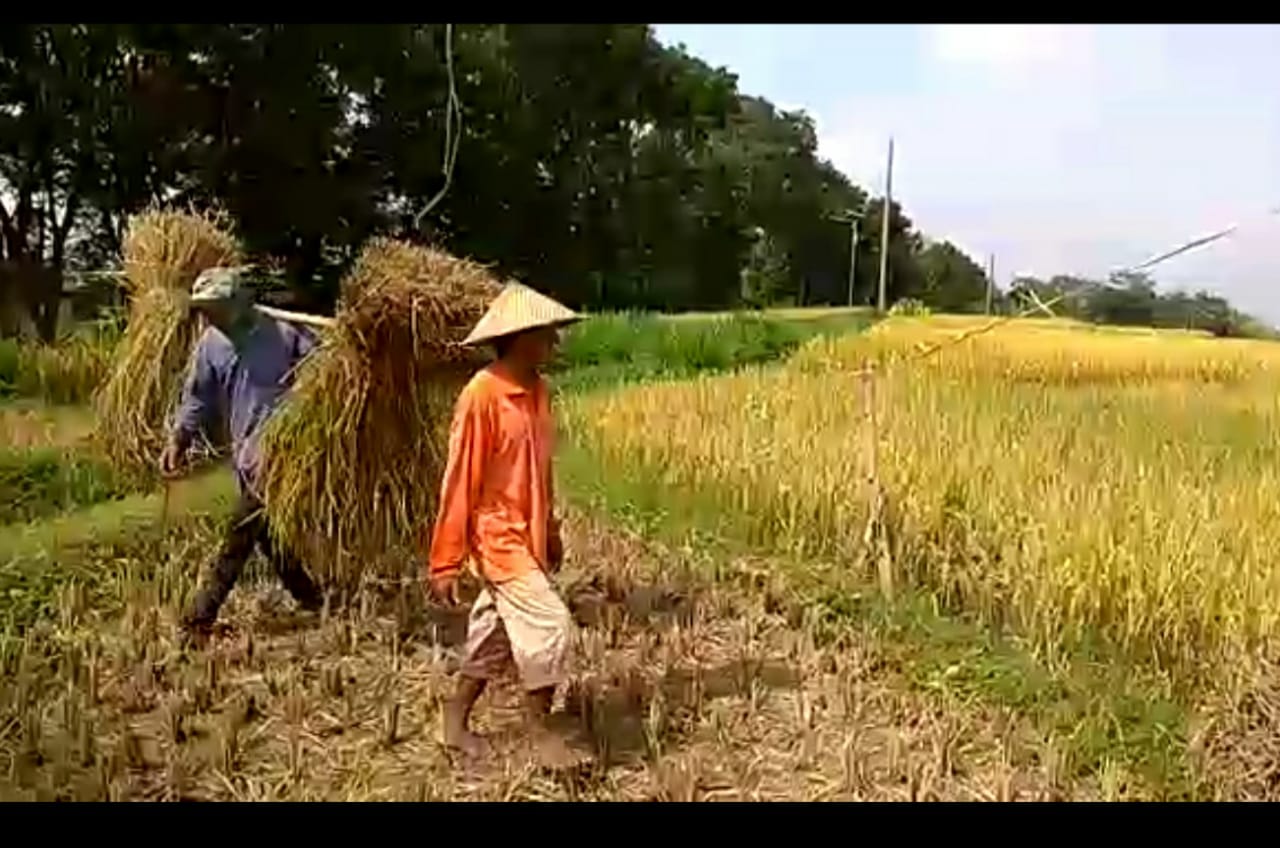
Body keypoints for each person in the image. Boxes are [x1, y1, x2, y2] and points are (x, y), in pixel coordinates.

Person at [425, 282, 582, 766]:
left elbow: (540, 470)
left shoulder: (538, 392)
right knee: (552, 626)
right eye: (547, 333)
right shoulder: (482, 396)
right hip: (496, 537)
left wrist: (550, 530)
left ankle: (453, 722)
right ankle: (540, 732)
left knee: (493, 635)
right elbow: (460, 478)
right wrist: (446, 559)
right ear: (520, 338)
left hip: (526, 533)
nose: (555, 341)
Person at [161, 267, 322, 642]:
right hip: (246, 456)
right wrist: (178, 439)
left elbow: (322, 378)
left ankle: (199, 618)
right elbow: (198, 396)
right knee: (267, 535)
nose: (209, 316)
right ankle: (313, 597)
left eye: (215, 307)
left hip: (284, 455)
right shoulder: (212, 345)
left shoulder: (284, 334)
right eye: (204, 309)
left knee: (239, 534)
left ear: (236, 303)